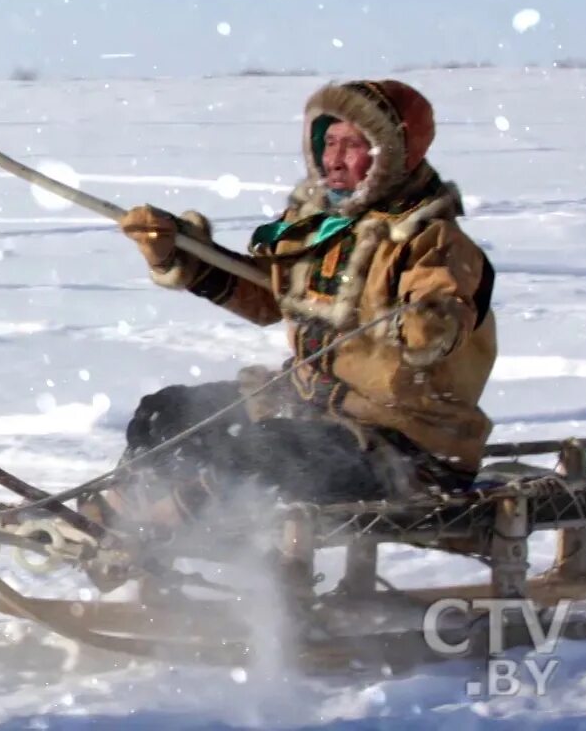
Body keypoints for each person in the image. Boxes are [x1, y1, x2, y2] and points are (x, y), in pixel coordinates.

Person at [81, 79, 498, 558]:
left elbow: (442, 304)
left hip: (401, 443)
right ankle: (116, 509)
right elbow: (266, 297)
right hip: (307, 409)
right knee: (166, 413)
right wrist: (181, 256)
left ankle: (149, 535)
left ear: (395, 154)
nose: (335, 159)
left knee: (253, 451)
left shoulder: (432, 240)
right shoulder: (317, 227)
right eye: (330, 142)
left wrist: (432, 321)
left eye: (356, 145)